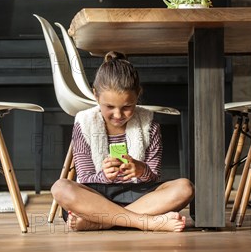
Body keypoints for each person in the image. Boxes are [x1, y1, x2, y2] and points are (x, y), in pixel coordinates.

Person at [51, 51, 194, 232]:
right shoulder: (85, 123)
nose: (118, 115)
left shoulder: (149, 124)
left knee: (185, 187)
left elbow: (154, 176)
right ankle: (145, 222)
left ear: (138, 95)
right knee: (60, 187)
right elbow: (86, 178)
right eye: (109, 107)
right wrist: (104, 176)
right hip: (96, 197)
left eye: (127, 107)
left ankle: (102, 221)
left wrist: (141, 169)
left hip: (139, 197)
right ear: (96, 96)